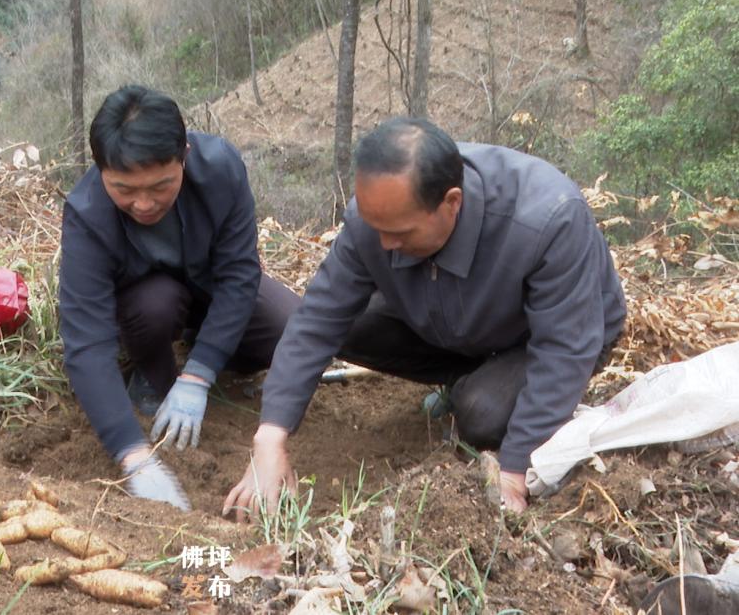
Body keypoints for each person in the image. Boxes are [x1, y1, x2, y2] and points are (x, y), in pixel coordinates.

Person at [223, 117, 626, 519]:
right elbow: (317, 320)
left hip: (552, 336)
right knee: (351, 325)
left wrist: (515, 467)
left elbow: (564, 348)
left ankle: (479, 386)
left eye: (399, 233)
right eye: (375, 227)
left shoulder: (549, 218)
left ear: (452, 202)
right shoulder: (376, 218)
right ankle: (469, 372)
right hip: (454, 320)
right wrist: (270, 438)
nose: (384, 244)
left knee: (481, 414)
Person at [60, 85, 301, 511]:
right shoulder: (86, 214)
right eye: (124, 189)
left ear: (184, 155)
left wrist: (200, 374)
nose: (144, 203)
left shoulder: (221, 170)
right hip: (146, 306)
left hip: (207, 287)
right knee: (155, 305)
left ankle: (201, 355)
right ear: (100, 172)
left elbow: (240, 275)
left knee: (288, 327)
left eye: (161, 185)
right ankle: (151, 374)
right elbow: (86, 344)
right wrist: (131, 454)